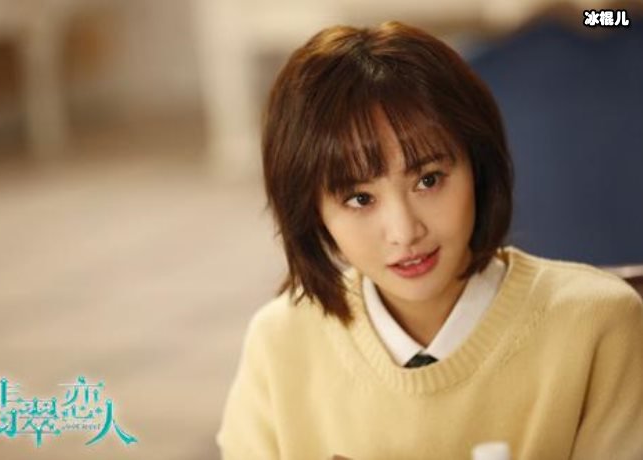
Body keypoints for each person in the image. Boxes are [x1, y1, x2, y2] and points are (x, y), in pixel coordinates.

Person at [216, 21, 643, 460]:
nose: (405, 232)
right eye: (360, 199)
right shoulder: (279, 342)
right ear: (311, 212)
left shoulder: (598, 324)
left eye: (429, 180)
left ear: (478, 167)